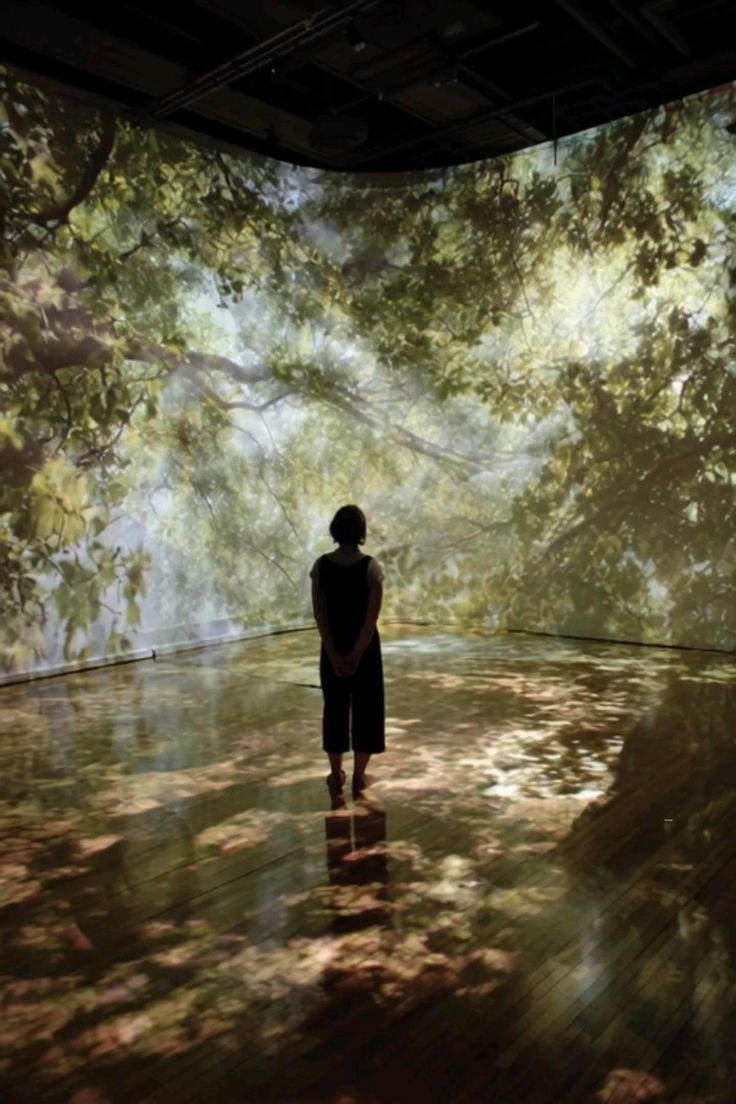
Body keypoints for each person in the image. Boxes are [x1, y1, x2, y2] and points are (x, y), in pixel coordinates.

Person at [310, 505, 385, 796]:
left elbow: (320, 614)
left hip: (333, 647)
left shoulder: (320, 566)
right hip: (365, 649)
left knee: (335, 708)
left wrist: (333, 652)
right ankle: (359, 776)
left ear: (335, 530)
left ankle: (334, 773)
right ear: (361, 532)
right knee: (368, 708)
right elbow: (371, 618)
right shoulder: (371, 567)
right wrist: (356, 655)